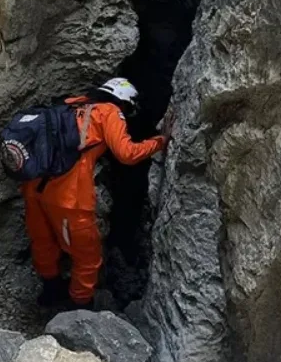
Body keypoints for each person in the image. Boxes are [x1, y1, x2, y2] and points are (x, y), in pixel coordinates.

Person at [22, 78, 172, 309]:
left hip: (33, 186)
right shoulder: (108, 111)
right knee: (87, 256)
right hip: (68, 197)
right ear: (124, 101)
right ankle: (80, 308)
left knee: (43, 241)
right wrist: (159, 141)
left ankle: (49, 292)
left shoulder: (72, 104)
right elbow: (127, 153)